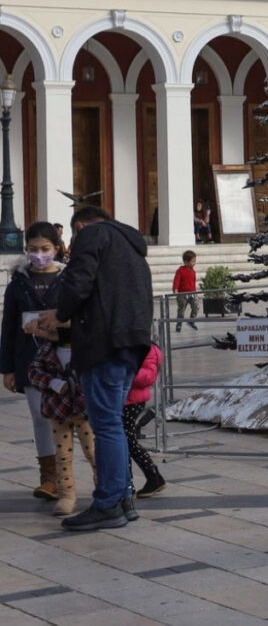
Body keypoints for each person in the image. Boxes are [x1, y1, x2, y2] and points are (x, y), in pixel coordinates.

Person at [37, 206, 154, 531]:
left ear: (81, 225)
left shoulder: (93, 234)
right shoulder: (131, 245)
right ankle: (123, 500)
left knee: (106, 426)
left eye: (73, 236)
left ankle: (107, 504)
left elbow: (78, 283)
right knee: (112, 423)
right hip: (131, 344)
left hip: (104, 346)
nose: (72, 244)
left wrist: (60, 313)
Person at [0, 221, 64, 501]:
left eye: (45, 249)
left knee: (69, 419)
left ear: (57, 249)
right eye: (33, 249)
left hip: (64, 356)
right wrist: (7, 368)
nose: (39, 255)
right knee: (40, 417)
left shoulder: (68, 280)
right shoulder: (18, 285)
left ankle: (67, 474)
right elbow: (8, 327)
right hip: (29, 358)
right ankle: (49, 477)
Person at [27, 335, 96, 516]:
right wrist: (53, 383)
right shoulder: (47, 350)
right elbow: (34, 372)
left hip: (83, 411)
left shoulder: (86, 345)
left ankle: (103, 490)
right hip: (57, 410)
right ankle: (66, 495)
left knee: (93, 452)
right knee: (63, 455)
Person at [124, 343, 166, 499]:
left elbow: (148, 377)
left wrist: (126, 370)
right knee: (127, 441)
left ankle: (130, 485)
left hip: (132, 400)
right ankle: (152, 478)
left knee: (126, 442)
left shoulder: (147, 348)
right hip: (126, 399)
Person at [173, 250, 199, 332]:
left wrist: (195, 292)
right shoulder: (180, 271)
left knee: (196, 306)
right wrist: (175, 290)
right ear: (186, 262)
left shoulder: (193, 271)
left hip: (192, 293)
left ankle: (191, 321)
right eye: (193, 261)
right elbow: (176, 281)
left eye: (195, 261)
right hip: (182, 294)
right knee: (181, 310)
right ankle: (179, 324)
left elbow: (193, 282)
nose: (194, 263)